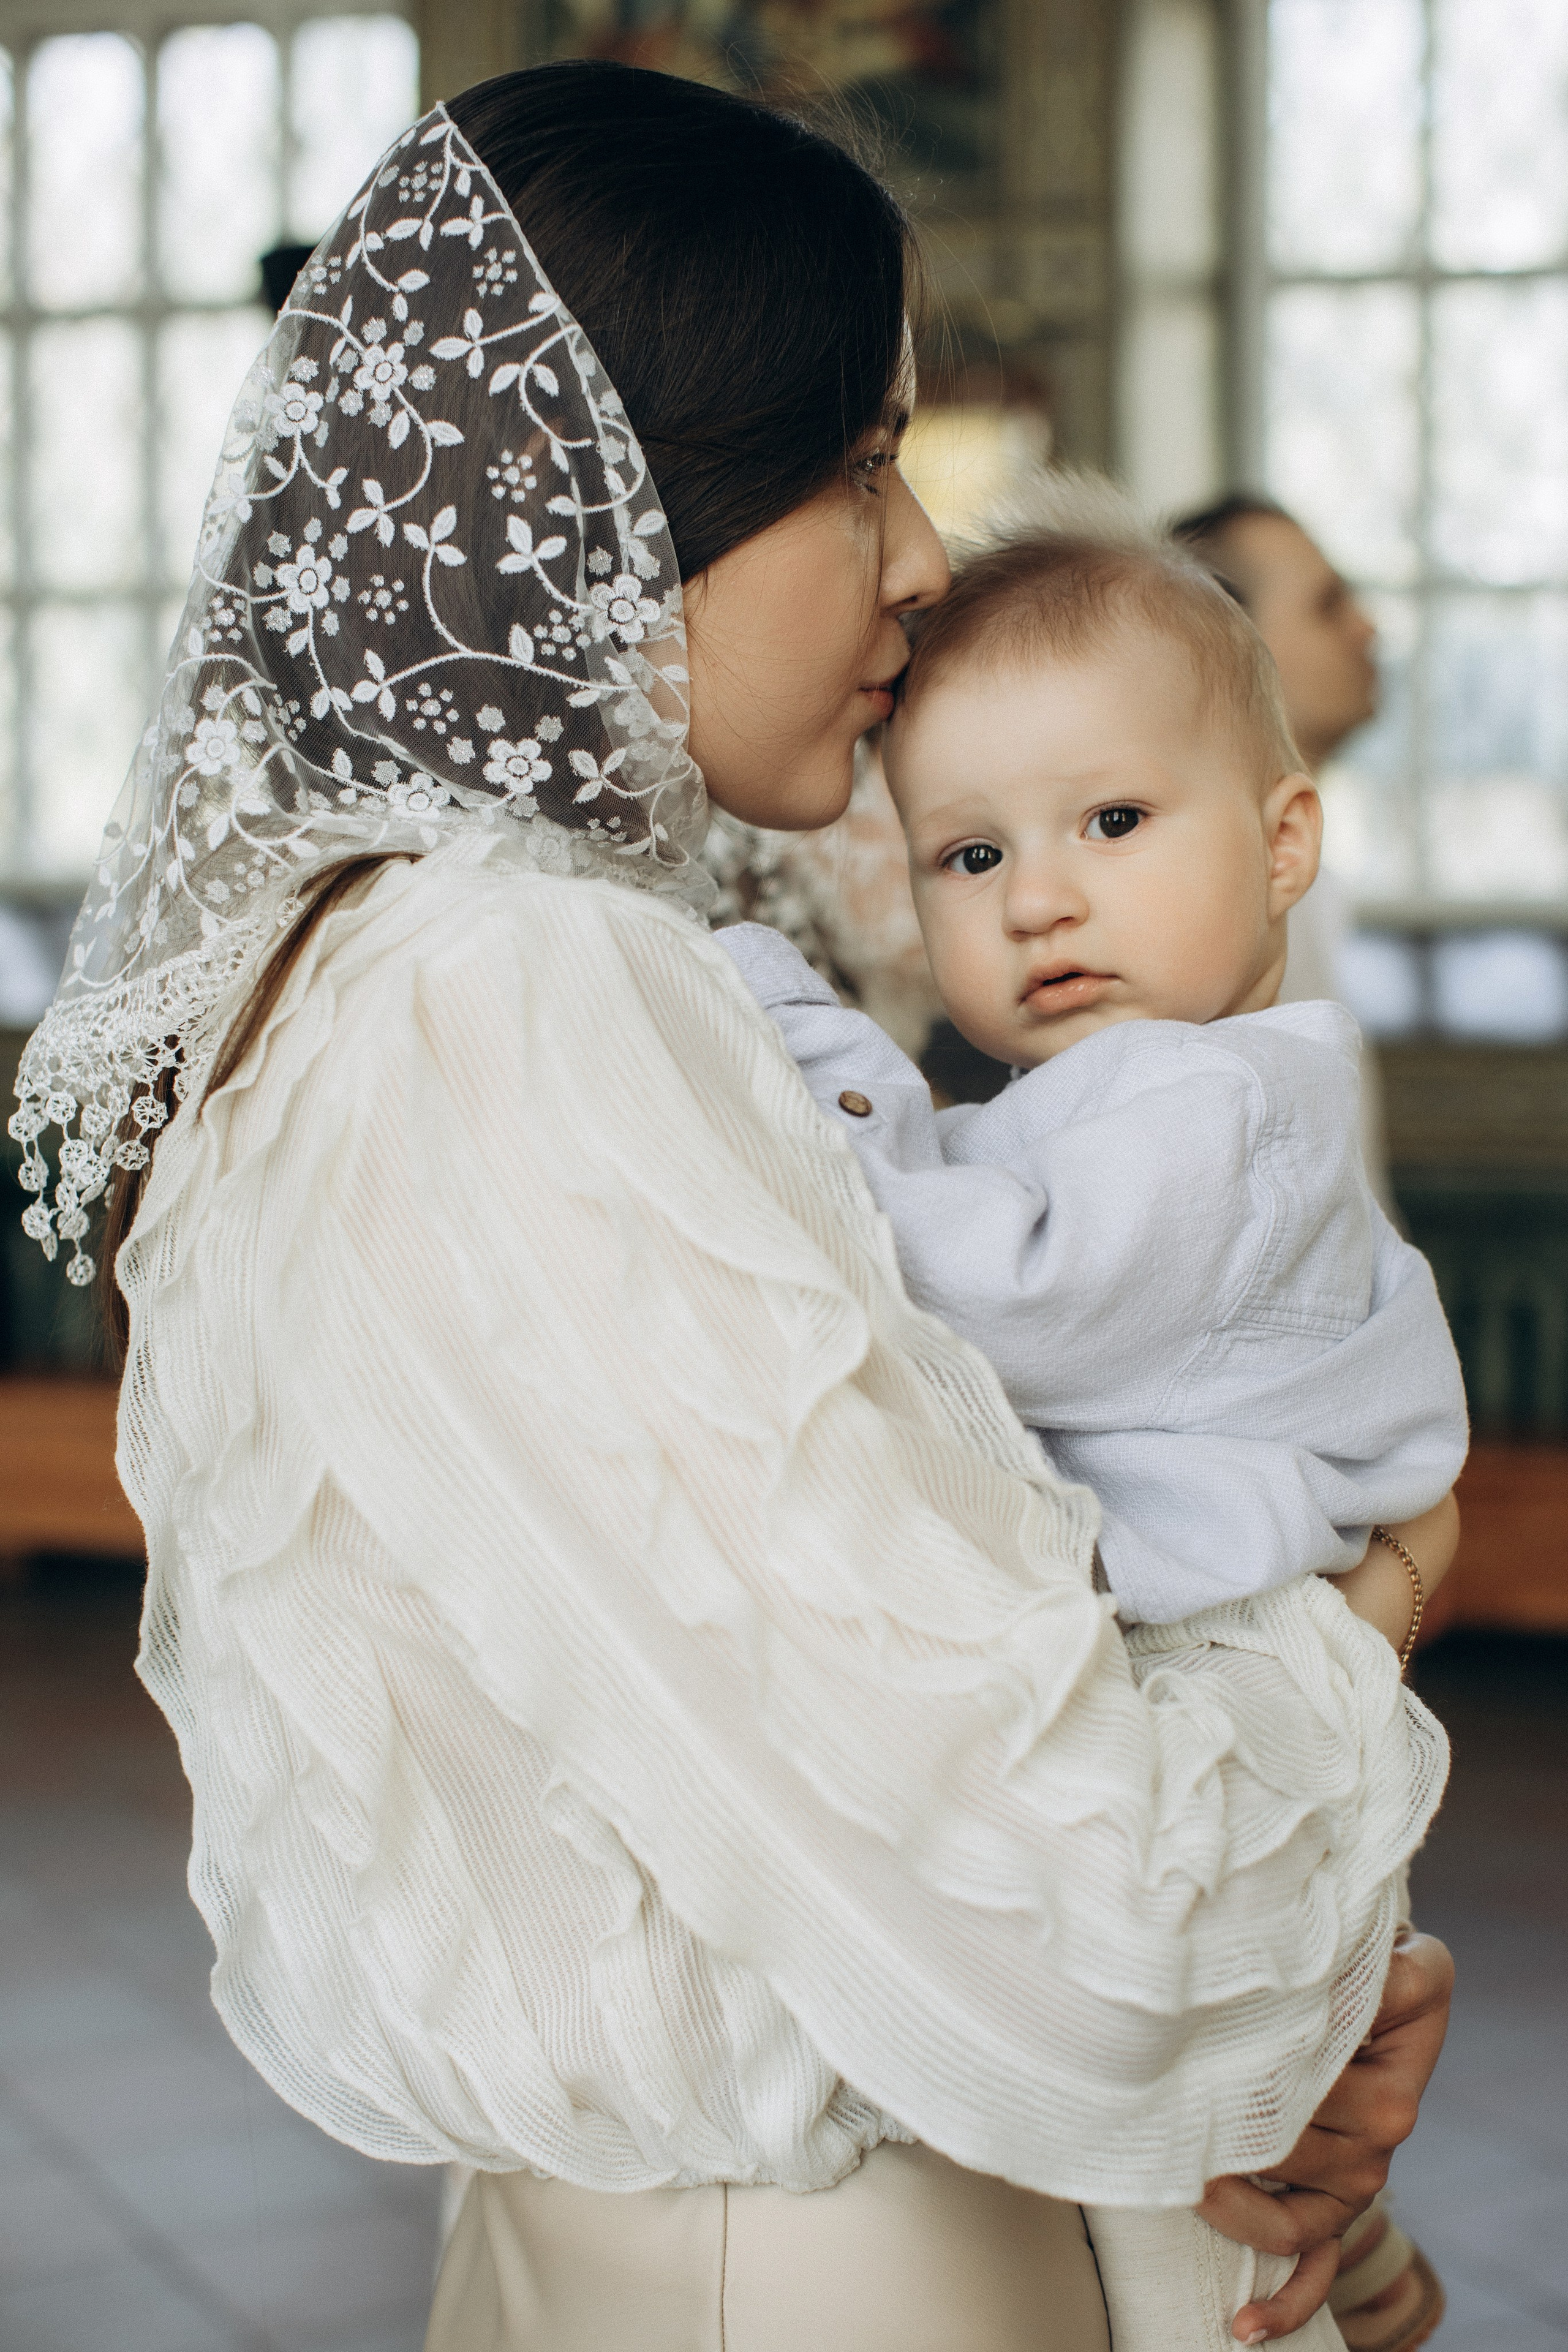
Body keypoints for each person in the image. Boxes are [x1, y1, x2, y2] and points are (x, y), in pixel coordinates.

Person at [11, 66, 1456, 2352]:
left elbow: (849, 1760)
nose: (920, 554)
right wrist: (1365, 1602)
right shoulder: (519, 994)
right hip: (825, 2271)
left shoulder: (422, 961)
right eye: (860, 458)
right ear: (618, 497)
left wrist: (1292, 1989)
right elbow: (1090, 1902)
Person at [717, 517, 1467, 1626]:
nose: (1034, 903)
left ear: (1283, 847)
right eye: (974, 856)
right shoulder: (1149, 1087)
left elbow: (982, 1301)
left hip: (1187, 1661)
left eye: (1113, 821)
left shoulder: (1221, 1106)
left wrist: (789, 1036)